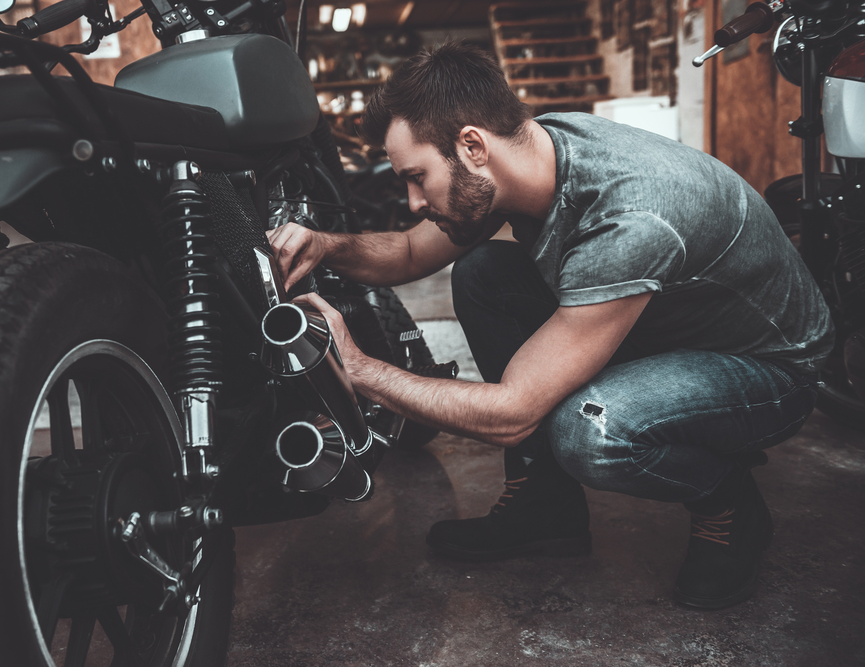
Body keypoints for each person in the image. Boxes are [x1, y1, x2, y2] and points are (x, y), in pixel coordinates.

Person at [268, 42, 833, 610]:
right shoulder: (528, 152)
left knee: (591, 431)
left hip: (765, 368)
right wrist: (324, 245)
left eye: (417, 177)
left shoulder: (630, 217)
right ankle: (545, 504)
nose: (414, 202)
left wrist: (363, 371)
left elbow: (513, 413)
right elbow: (414, 253)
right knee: (483, 271)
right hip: (667, 328)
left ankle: (727, 505)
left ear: (471, 146)